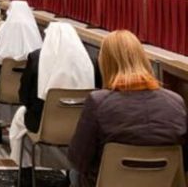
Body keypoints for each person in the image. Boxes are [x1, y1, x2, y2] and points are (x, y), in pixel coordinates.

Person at [68, 30, 187, 187]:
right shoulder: (176, 101)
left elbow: (78, 160)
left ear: (105, 63)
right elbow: (184, 161)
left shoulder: (98, 102)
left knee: (74, 174)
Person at [9, 22, 96, 170]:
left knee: (18, 121)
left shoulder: (36, 58)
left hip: (42, 125)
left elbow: (24, 97)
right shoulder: (89, 62)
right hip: (79, 127)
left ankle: (24, 168)